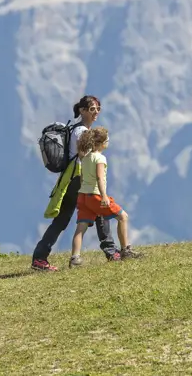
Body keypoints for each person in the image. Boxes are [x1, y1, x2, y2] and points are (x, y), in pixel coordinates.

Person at [31, 95, 124, 271]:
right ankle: (112, 252)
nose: (96, 112)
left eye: (98, 109)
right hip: (79, 178)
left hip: (74, 179)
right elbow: (85, 157)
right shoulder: (81, 131)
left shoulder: (78, 130)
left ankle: (40, 258)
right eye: (92, 109)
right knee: (100, 209)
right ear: (82, 111)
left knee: (64, 219)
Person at [69, 126, 141, 267]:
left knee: (80, 228)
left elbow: (82, 178)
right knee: (123, 217)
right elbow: (100, 178)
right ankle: (126, 249)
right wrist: (103, 196)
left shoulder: (85, 158)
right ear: (102, 143)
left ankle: (75, 258)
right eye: (107, 139)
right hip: (96, 196)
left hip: (83, 196)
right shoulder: (100, 158)